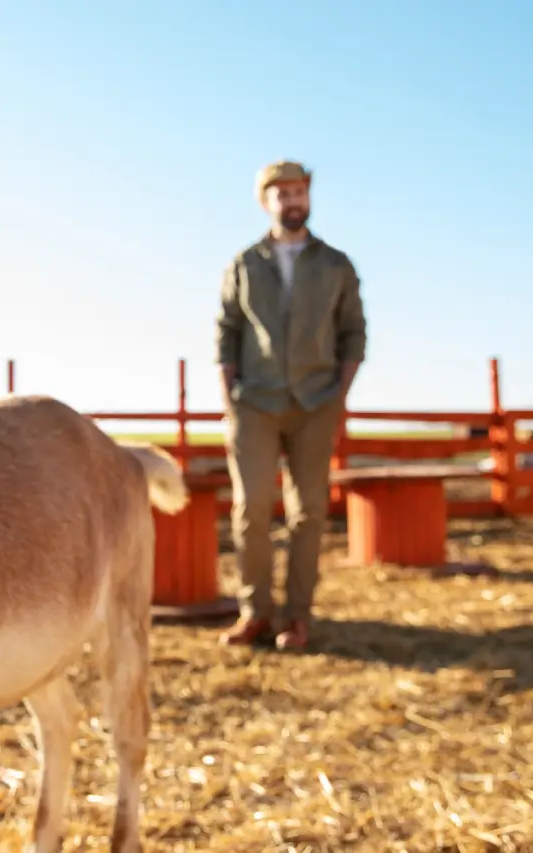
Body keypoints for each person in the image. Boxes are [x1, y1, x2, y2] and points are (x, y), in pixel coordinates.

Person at [214, 160, 367, 651]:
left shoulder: (336, 264)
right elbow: (226, 331)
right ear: (266, 202)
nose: (292, 201)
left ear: (309, 197)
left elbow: (353, 333)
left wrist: (338, 395)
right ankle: (255, 612)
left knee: (309, 513)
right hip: (254, 403)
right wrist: (229, 396)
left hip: (316, 402)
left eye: (299, 191)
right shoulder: (245, 263)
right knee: (251, 508)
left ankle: (296, 618)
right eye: (281, 194)